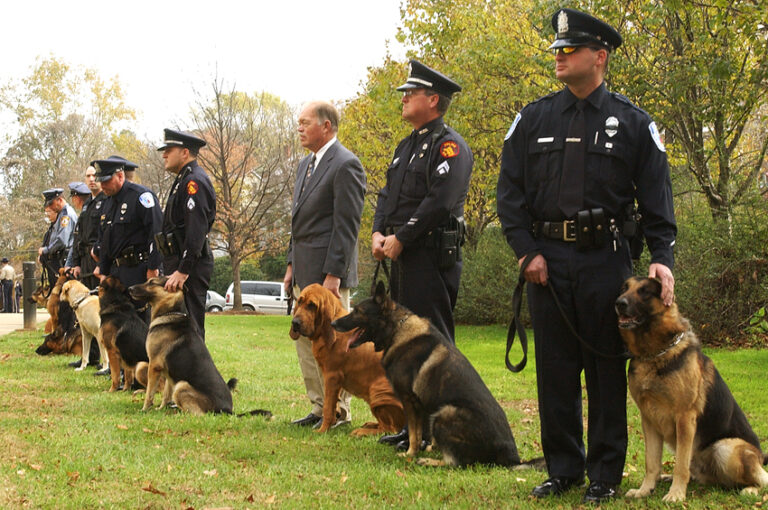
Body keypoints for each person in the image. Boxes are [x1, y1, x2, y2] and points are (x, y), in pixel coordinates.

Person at [496, 8, 677, 503]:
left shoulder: (634, 123)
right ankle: (563, 469)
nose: (559, 56)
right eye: (557, 49)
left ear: (599, 57)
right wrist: (525, 251)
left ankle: (603, 475)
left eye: (569, 50)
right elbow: (509, 194)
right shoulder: (533, 119)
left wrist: (663, 256)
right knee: (555, 369)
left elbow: (658, 199)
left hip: (607, 264)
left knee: (604, 368)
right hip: (546, 263)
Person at [371, 60, 473, 448]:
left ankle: (439, 427)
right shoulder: (406, 146)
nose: (404, 98)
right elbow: (386, 196)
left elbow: (440, 201)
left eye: (411, 93)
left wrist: (404, 238)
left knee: (433, 343)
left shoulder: (449, 146)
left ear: (434, 100)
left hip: (429, 258)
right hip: (401, 258)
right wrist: (380, 232)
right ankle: (413, 427)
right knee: (407, 345)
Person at [283, 101, 366, 429]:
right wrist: (291, 266)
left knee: (336, 344)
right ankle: (319, 408)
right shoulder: (305, 166)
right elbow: (297, 224)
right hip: (305, 273)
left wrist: (333, 275)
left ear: (326, 126)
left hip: (329, 277)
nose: (299, 128)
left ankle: (340, 412)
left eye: (305, 123)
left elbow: (346, 226)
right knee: (305, 339)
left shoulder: (346, 164)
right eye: (299, 123)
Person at [156, 129, 216, 339]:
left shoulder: (193, 182)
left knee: (190, 328)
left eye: (168, 150)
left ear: (184, 153)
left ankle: (195, 372)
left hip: (189, 267)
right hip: (178, 263)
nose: (164, 155)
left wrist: (184, 270)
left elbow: (196, 230)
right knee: (179, 328)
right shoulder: (183, 179)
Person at [92, 156, 163, 311]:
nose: (102, 185)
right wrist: (103, 271)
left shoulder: (141, 196)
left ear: (120, 176)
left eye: (106, 180)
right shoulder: (107, 203)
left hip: (138, 269)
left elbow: (156, 232)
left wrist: (153, 268)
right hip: (116, 273)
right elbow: (105, 239)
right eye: (100, 181)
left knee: (140, 319)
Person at [66, 167, 109, 290]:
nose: (91, 179)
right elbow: (78, 235)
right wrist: (76, 263)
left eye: (94, 175)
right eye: (88, 176)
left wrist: (102, 263)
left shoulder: (107, 200)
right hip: (85, 261)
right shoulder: (87, 204)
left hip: (97, 257)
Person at [38, 188, 77, 287]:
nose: (50, 207)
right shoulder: (61, 214)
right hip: (59, 260)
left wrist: (46, 250)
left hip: (65, 259)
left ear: (59, 200)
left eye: (51, 204)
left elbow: (62, 241)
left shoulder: (66, 215)